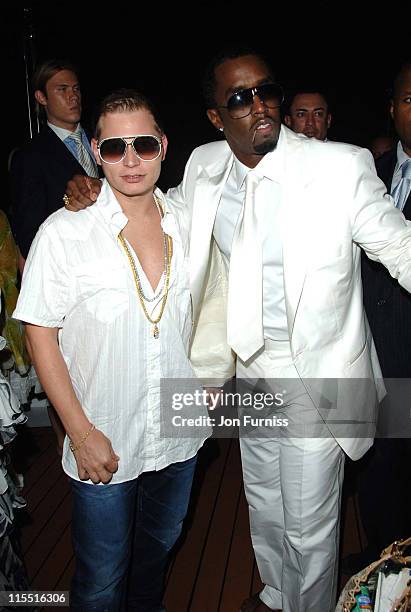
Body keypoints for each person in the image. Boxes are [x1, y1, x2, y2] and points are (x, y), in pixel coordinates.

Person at [63, 48, 411, 612]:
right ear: (215, 117)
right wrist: (96, 191)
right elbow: (161, 209)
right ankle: (278, 595)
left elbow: (399, 244)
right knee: (266, 505)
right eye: (240, 99)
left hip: (317, 375)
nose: (260, 106)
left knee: (309, 524)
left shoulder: (340, 166)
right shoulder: (204, 166)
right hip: (246, 371)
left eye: (266, 91)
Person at [13, 89, 218, 611]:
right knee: (102, 577)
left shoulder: (189, 223)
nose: (131, 160)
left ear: (164, 147)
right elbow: (40, 333)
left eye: (144, 145)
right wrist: (80, 434)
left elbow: (215, 307)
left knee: (157, 554)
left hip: (179, 434)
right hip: (105, 436)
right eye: (115, 148)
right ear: (97, 151)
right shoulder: (64, 233)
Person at [9, 58, 100, 453]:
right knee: (67, 374)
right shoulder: (30, 156)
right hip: (66, 281)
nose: (73, 95)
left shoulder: (104, 143)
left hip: (111, 275)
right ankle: (73, 453)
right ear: (41, 98)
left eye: (76, 87)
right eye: (62, 89)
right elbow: (28, 229)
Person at [355, 60, 411, 569]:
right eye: (410, 99)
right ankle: (379, 567)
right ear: (393, 109)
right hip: (367, 348)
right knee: (376, 468)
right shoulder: (366, 170)